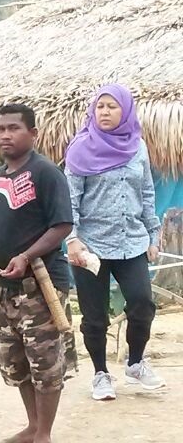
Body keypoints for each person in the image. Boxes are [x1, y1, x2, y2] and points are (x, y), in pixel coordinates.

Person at [0, 104, 73, 443]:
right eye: (1, 128)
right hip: (4, 286)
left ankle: (44, 433)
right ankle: (33, 426)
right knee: (16, 362)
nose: (5, 135)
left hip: (40, 285)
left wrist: (27, 256)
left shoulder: (46, 173)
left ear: (33, 133)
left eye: (14, 128)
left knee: (45, 362)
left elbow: (62, 225)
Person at [64, 83, 165, 401]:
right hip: (90, 246)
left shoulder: (138, 147)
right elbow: (70, 199)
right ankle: (100, 374)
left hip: (132, 241)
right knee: (94, 316)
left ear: (125, 110)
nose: (104, 112)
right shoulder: (80, 149)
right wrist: (72, 239)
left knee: (142, 304)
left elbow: (146, 192)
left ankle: (135, 363)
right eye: (100, 106)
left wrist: (153, 235)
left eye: (112, 106)